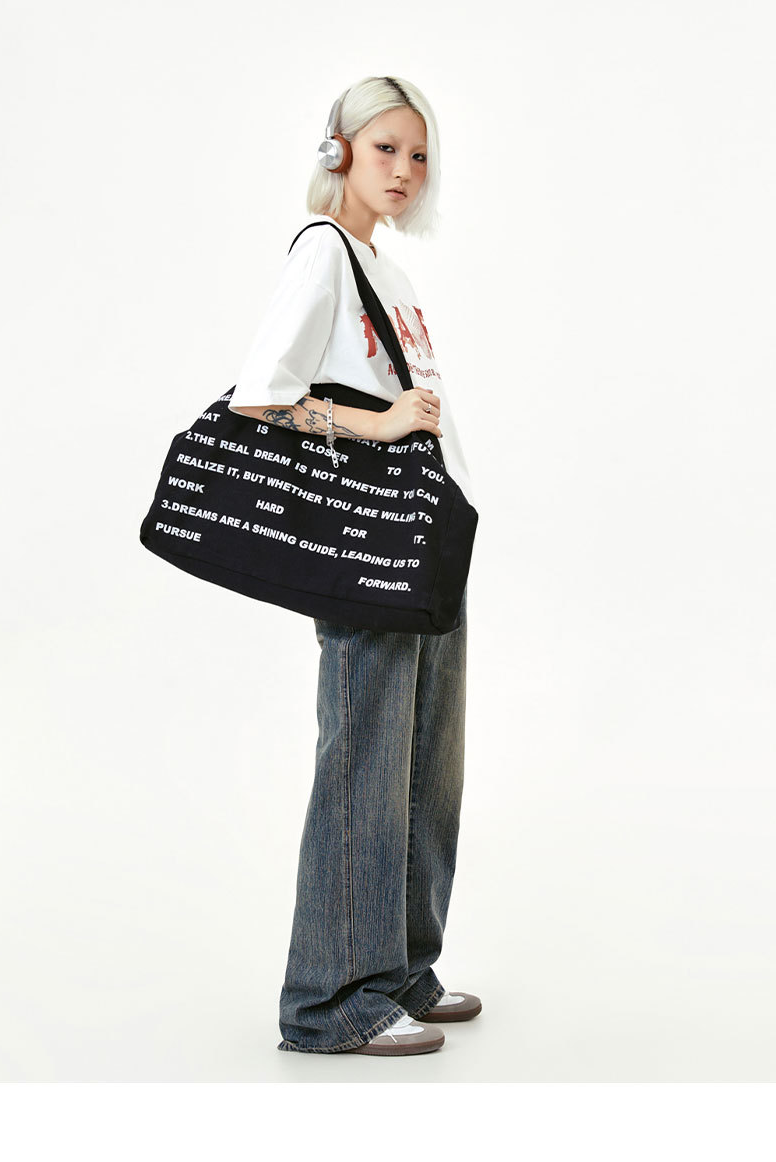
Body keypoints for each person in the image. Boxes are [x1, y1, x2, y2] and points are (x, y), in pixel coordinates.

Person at [229, 75, 481, 1056]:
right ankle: (330, 1001)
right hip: (369, 546)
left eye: (418, 154)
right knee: (366, 762)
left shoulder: (389, 270)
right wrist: (373, 425)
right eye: (385, 148)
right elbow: (260, 397)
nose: (405, 170)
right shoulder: (323, 254)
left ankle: (399, 970)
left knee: (424, 768)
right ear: (338, 149)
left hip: (428, 540)